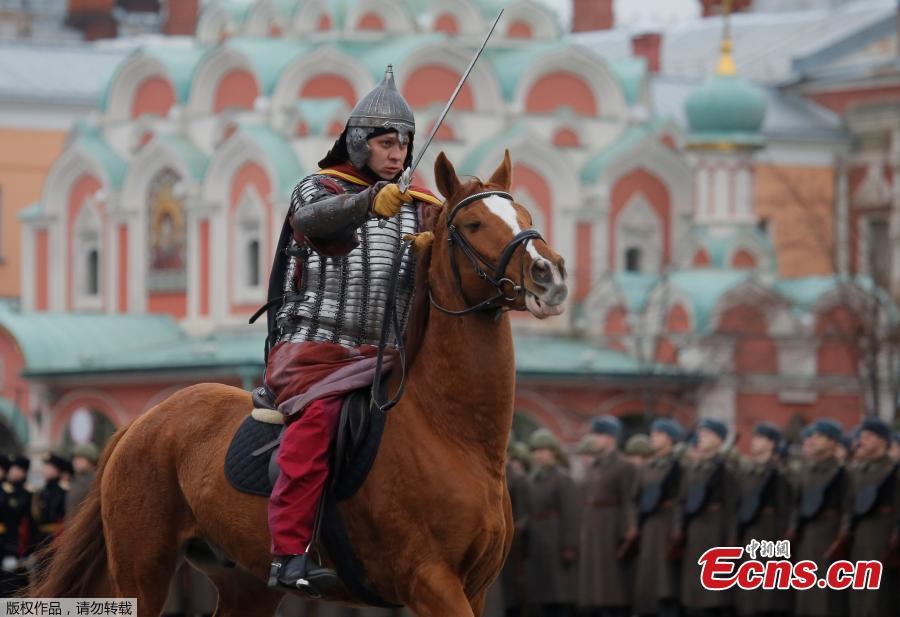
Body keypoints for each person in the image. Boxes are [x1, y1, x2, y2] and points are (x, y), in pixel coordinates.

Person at [261, 65, 442, 594]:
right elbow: (315, 222)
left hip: (390, 353)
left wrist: (439, 243)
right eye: (387, 143)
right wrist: (368, 202)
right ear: (360, 144)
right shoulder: (315, 188)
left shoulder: (417, 206)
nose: (398, 154)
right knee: (317, 425)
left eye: (405, 144)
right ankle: (287, 553)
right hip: (317, 348)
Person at [676, 418, 737, 617]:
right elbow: (682, 500)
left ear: (720, 441)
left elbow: (732, 506)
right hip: (694, 528)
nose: (701, 438)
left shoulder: (726, 469)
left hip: (715, 529)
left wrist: (731, 537)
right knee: (693, 583)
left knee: (714, 587)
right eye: (701, 434)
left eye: (708, 435)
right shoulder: (692, 469)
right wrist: (679, 529)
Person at [577, 415, 637, 617]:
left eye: (598, 434)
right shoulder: (595, 465)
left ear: (611, 437)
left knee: (612, 583)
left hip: (611, 524)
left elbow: (629, 499)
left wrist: (629, 528)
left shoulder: (623, 465)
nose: (593, 439)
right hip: (594, 524)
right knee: (594, 582)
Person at [789, 418, 849, 617]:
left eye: (819, 437)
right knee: (805, 593)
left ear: (833, 442)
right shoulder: (805, 472)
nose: (813, 441)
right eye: (812, 436)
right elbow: (796, 505)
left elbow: (848, 507)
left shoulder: (841, 472)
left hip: (828, 536)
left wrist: (842, 536)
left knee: (826, 596)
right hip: (806, 537)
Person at [734, 422, 793, 617]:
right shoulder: (747, 471)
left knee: (769, 589)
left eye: (760, 438)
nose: (754, 442)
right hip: (750, 530)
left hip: (771, 532)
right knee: (750, 585)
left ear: (771, 444)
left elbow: (785, 507)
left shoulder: (779, 472)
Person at [844, 417, 899, 617]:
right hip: (859, 536)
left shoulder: (893, 470)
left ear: (882, 440)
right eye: (862, 436)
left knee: (881, 595)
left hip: (883, 535)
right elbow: (848, 505)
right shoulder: (856, 471)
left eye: (868, 436)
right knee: (859, 590)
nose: (862, 440)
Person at [525, 428, 578, 617]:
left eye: (543, 450)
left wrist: (569, 545)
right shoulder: (531, 480)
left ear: (553, 451)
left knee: (559, 595)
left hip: (556, 539)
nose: (539, 455)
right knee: (541, 597)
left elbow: (571, 513)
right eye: (535, 451)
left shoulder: (563, 479)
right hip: (538, 541)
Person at [633, 418, 684, 617]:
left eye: (658, 434)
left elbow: (684, 498)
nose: (653, 437)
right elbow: (635, 496)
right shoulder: (647, 467)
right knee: (650, 580)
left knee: (669, 581)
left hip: (668, 525)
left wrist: (677, 527)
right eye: (652, 434)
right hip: (649, 526)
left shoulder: (680, 466)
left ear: (670, 438)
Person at [31, 452, 69, 549]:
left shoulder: (63, 492)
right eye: (45, 466)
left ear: (57, 470)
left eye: (49, 467)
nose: (45, 469)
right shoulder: (40, 492)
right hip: (39, 539)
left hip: (57, 538)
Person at [65, 443, 98, 518]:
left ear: (91, 460)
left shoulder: (96, 481)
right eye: (74, 458)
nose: (75, 461)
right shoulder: (75, 480)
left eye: (80, 458)